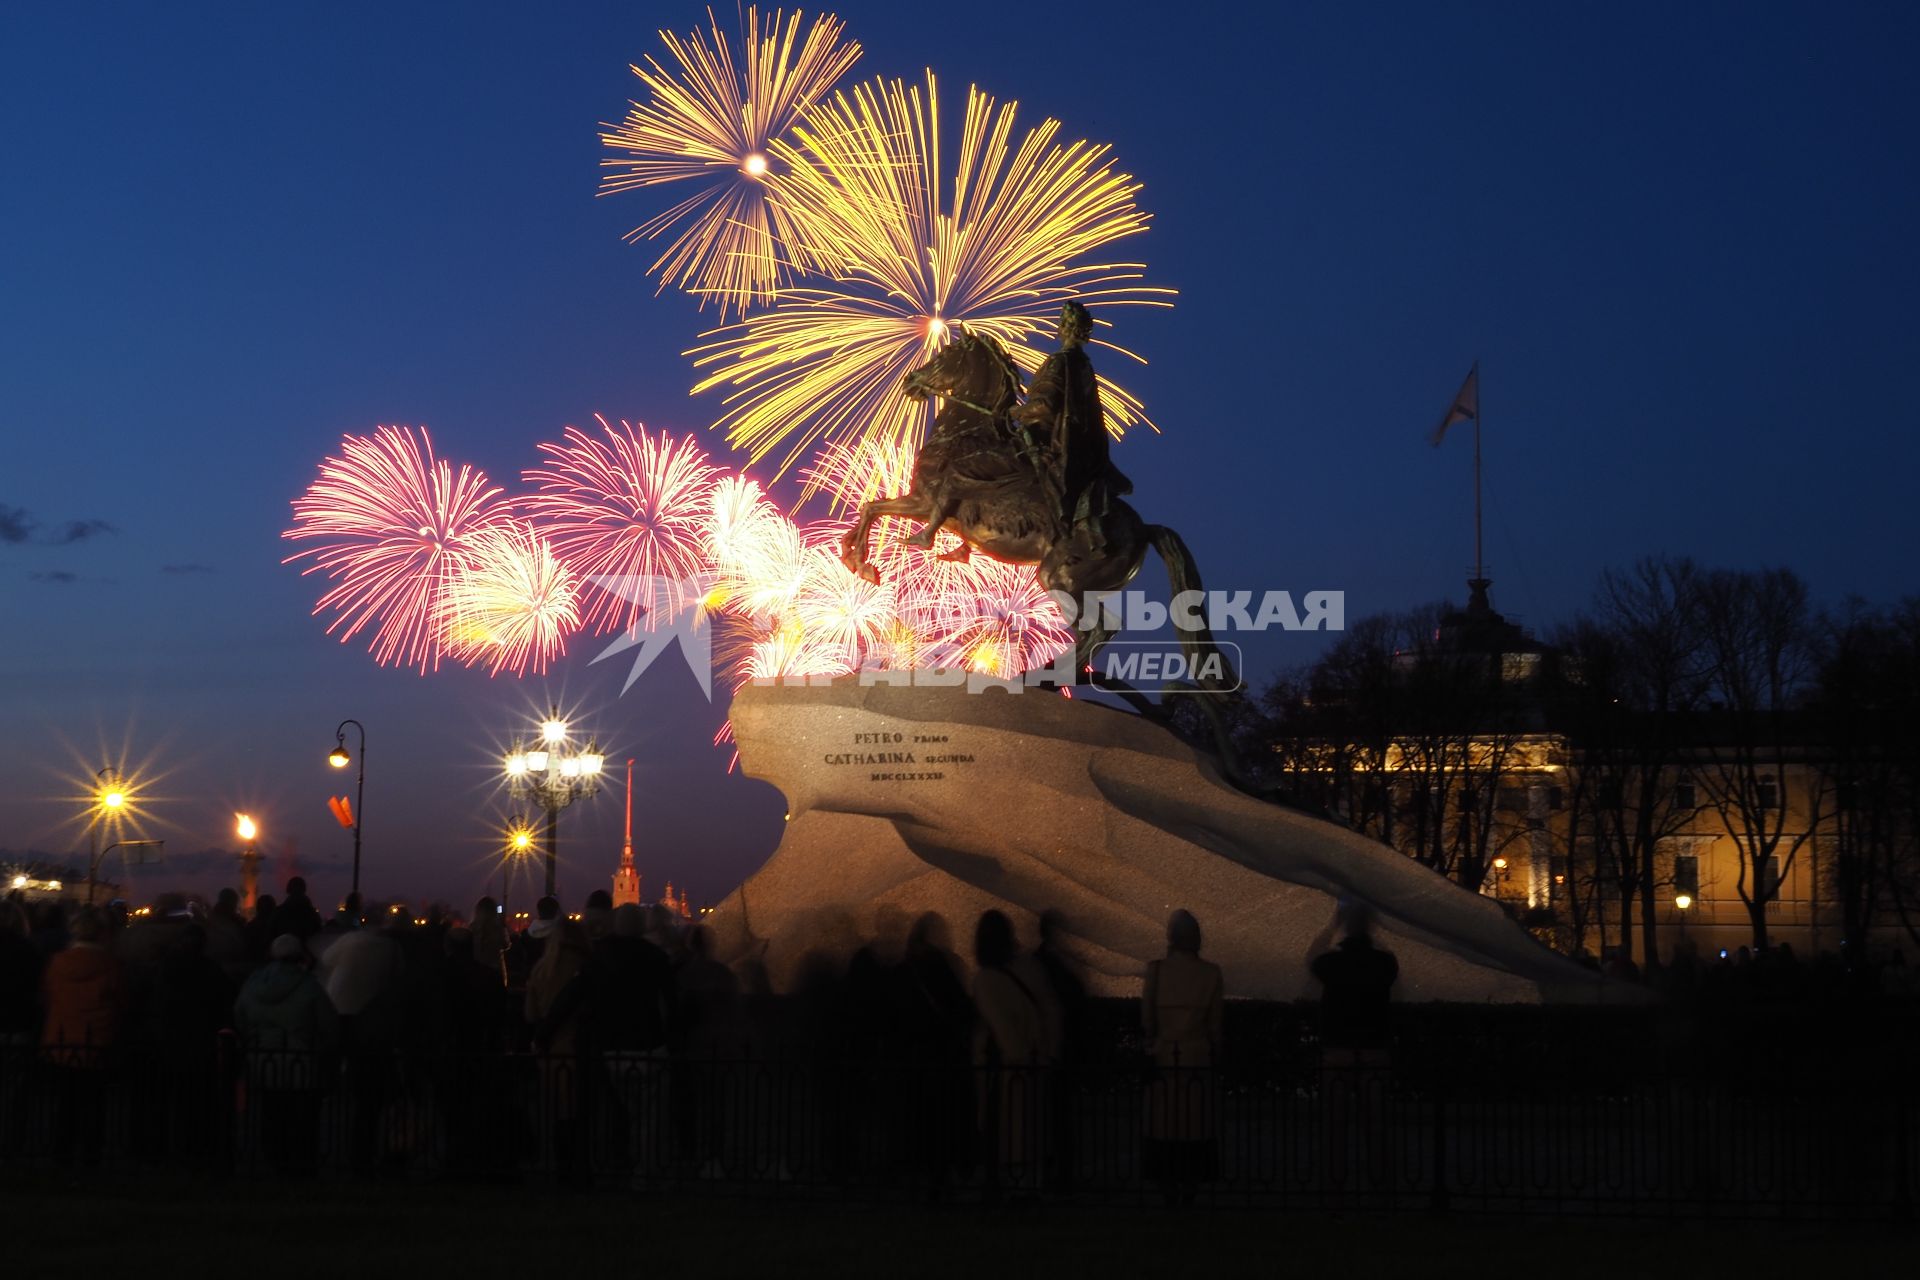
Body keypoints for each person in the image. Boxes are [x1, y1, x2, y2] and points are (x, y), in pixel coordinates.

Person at [1010, 300, 1132, 540]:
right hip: (1083, 447)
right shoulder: (1084, 364)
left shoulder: (1059, 362)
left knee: (1004, 463)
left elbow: (1045, 407)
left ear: (1063, 328)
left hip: (1055, 442)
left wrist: (1011, 412)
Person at [1308, 899, 1398, 1199]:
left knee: (1335, 1127)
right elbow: (1389, 966)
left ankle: (1334, 1186)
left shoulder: (1331, 964)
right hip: (1373, 1050)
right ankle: (1379, 1186)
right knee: (1376, 1126)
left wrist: (1333, 924)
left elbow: (1312, 958)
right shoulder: (1384, 964)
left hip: (1338, 1050)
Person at [234, 934, 339, 1175]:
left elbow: (239, 1014)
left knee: (271, 1112)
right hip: (300, 1061)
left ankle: (272, 1159)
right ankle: (299, 1164)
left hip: (263, 1059)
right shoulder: (309, 986)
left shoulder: (254, 983)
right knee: (301, 1117)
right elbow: (328, 1024)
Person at [1141, 908, 1224, 1205]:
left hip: (1164, 1056)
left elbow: (1147, 1020)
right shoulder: (1211, 974)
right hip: (1197, 1057)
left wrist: (1153, 1041)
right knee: (1194, 1126)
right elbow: (1215, 1026)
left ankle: (1167, 1184)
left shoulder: (1156, 970)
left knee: (1164, 1126)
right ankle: (1190, 1184)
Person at [970, 911, 1051, 1197]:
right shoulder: (1028, 971)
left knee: (1004, 1131)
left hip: (1002, 1069)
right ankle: (1024, 1183)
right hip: (1029, 1065)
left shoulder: (986, 980)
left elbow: (1001, 1028)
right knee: (1024, 1131)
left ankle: (1007, 1187)